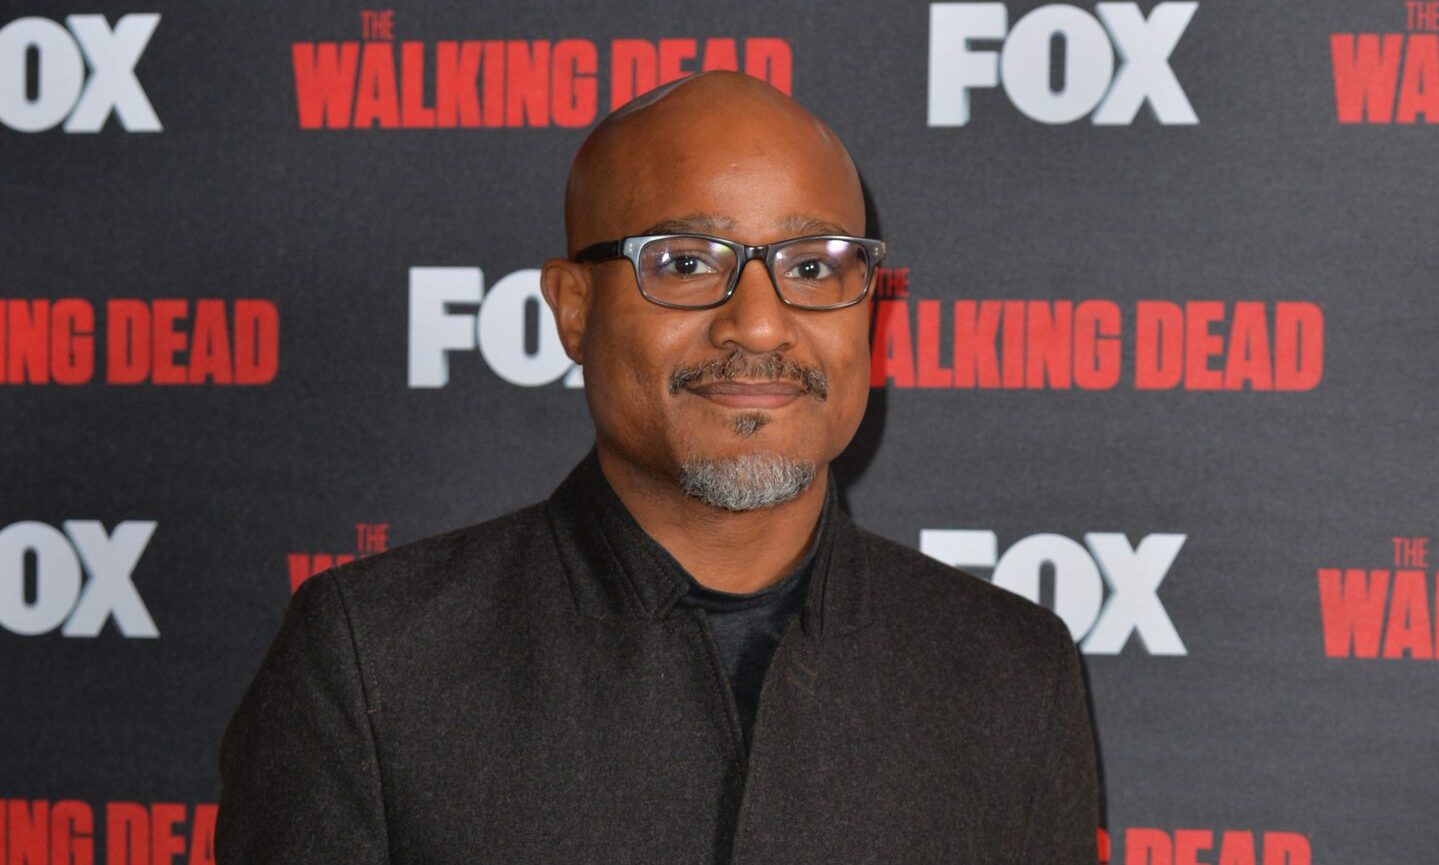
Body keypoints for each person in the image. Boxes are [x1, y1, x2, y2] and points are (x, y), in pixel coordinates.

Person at [216, 71, 1099, 864]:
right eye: (684, 263)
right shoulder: (376, 661)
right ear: (573, 307)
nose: (760, 324)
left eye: (812, 265)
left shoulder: (1011, 673)